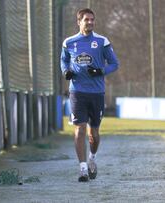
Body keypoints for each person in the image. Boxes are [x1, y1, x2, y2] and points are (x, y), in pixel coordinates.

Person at [60, 8, 119, 182]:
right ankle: (83, 168)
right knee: (80, 129)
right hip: (77, 92)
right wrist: (65, 71)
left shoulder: (102, 41)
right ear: (79, 22)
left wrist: (100, 70)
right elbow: (63, 60)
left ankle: (92, 158)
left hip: (97, 93)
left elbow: (115, 64)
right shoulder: (69, 42)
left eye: (92, 19)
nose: (90, 22)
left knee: (94, 133)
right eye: (87, 20)